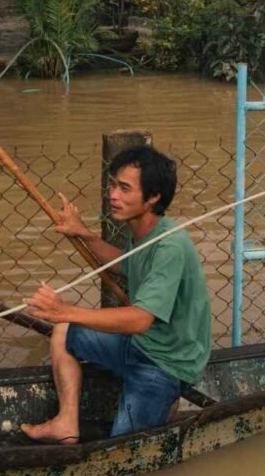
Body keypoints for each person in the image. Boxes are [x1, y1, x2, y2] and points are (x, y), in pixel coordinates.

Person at [20, 146, 212, 442]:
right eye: (112, 184)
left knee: (122, 451)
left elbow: (140, 320)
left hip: (165, 363)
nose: (112, 194)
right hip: (140, 346)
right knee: (64, 331)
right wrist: (83, 233)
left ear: (153, 197)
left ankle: (167, 398)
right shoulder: (143, 231)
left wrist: (64, 309)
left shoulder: (169, 245)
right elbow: (125, 264)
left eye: (124, 188)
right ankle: (66, 422)